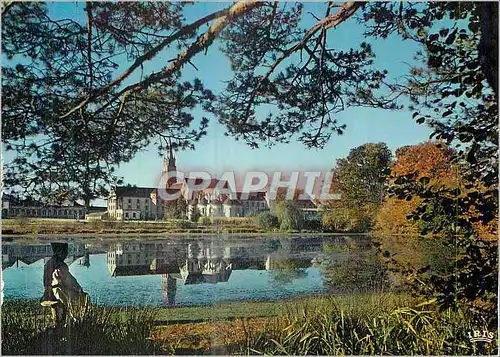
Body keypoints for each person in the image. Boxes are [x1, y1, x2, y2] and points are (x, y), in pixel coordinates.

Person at [40, 242, 90, 327]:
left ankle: (59, 325)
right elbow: (66, 281)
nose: (66, 254)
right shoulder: (60, 266)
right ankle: (72, 323)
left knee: (58, 314)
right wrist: (78, 290)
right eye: (65, 251)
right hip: (58, 293)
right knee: (82, 299)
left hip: (51, 294)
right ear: (61, 251)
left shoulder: (49, 263)